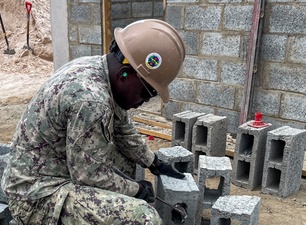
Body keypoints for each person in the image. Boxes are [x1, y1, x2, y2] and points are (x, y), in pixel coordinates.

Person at [1, 19, 186, 225]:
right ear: (125, 74)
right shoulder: (91, 100)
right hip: (36, 196)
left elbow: (123, 130)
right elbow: (88, 176)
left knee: (124, 161)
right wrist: (136, 189)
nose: (144, 102)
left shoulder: (100, 71)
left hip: (53, 170)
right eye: (147, 92)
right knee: (143, 217)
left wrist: (154, 163)